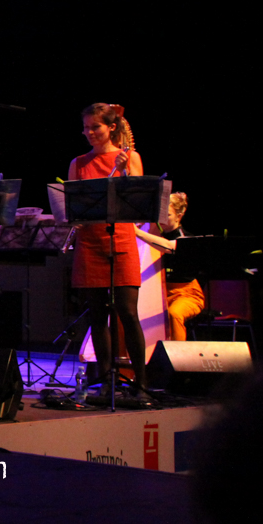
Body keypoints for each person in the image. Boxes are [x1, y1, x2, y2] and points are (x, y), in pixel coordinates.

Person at [69, 102, 149, 397]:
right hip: (90, 243)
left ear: (112, 127)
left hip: (121, 240)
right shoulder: (78, 163)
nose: (89, 133)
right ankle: (105, 381)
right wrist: (74, 216)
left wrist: (125, 171)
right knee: (96, 315)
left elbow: (138, 203)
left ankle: (141, 383)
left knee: (127, 312)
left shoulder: (130, 157)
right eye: (86, 128)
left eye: (95, 127)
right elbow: (74, 206)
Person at [135, 192, 205, 341]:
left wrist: (136, 232)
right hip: (161, 293)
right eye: (160, 215)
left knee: (174, 313)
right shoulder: (154, 234)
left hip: (187, 294)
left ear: (179, 216)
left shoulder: (186, 238)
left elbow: (168, 246)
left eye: (167, 215)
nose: (162, 220)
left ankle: (178, 354)